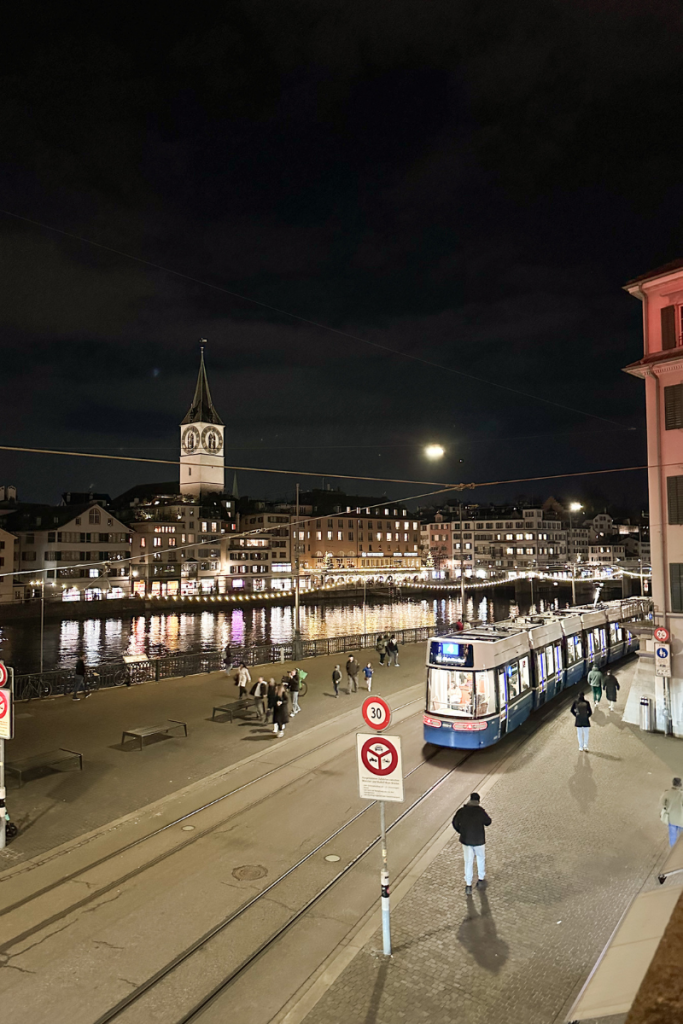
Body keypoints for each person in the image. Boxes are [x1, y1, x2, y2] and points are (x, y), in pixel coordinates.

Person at [452, 792, 492, 895]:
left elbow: (455, 823)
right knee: (480, 858)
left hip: (466, 841)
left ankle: (468, 885)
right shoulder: (480, 811)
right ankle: (481, 879)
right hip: (479, 840)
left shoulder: (462, 811)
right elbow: (488, 822)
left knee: (468, 862)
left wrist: (462, 831)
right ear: (478, 801)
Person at [660, 777, 683, 847]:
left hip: (671, 819)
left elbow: (662, 803)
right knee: (681, 838)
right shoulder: (682, 794)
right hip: (681, 819)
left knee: (672, 837)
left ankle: (672, 853)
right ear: (680, 784)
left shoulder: (667, 793)